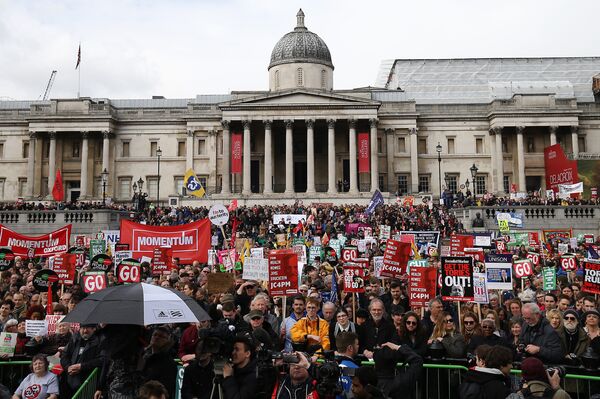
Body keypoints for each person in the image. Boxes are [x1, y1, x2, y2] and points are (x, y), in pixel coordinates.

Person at [60, 323, 104, 399]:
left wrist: (81, 366)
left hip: (87, 382)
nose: (85, 330)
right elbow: (64, 356)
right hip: (69, 380)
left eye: (88, 328)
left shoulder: (100, 340)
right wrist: (68, 367)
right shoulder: (74, 339)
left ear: (94, 329)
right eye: (83, 328)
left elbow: (101, 360)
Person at [507, 357, 571, 399]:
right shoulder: (559, 395)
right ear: (543, 372)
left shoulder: (517, 396)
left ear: (523, 376)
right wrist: (557, 388)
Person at [141, 326, 178, 399]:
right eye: (155, 335)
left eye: (161, 336)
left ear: (168, 341)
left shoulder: (169, 363)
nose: (157, 337)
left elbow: (166, 390)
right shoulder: (145, 356)